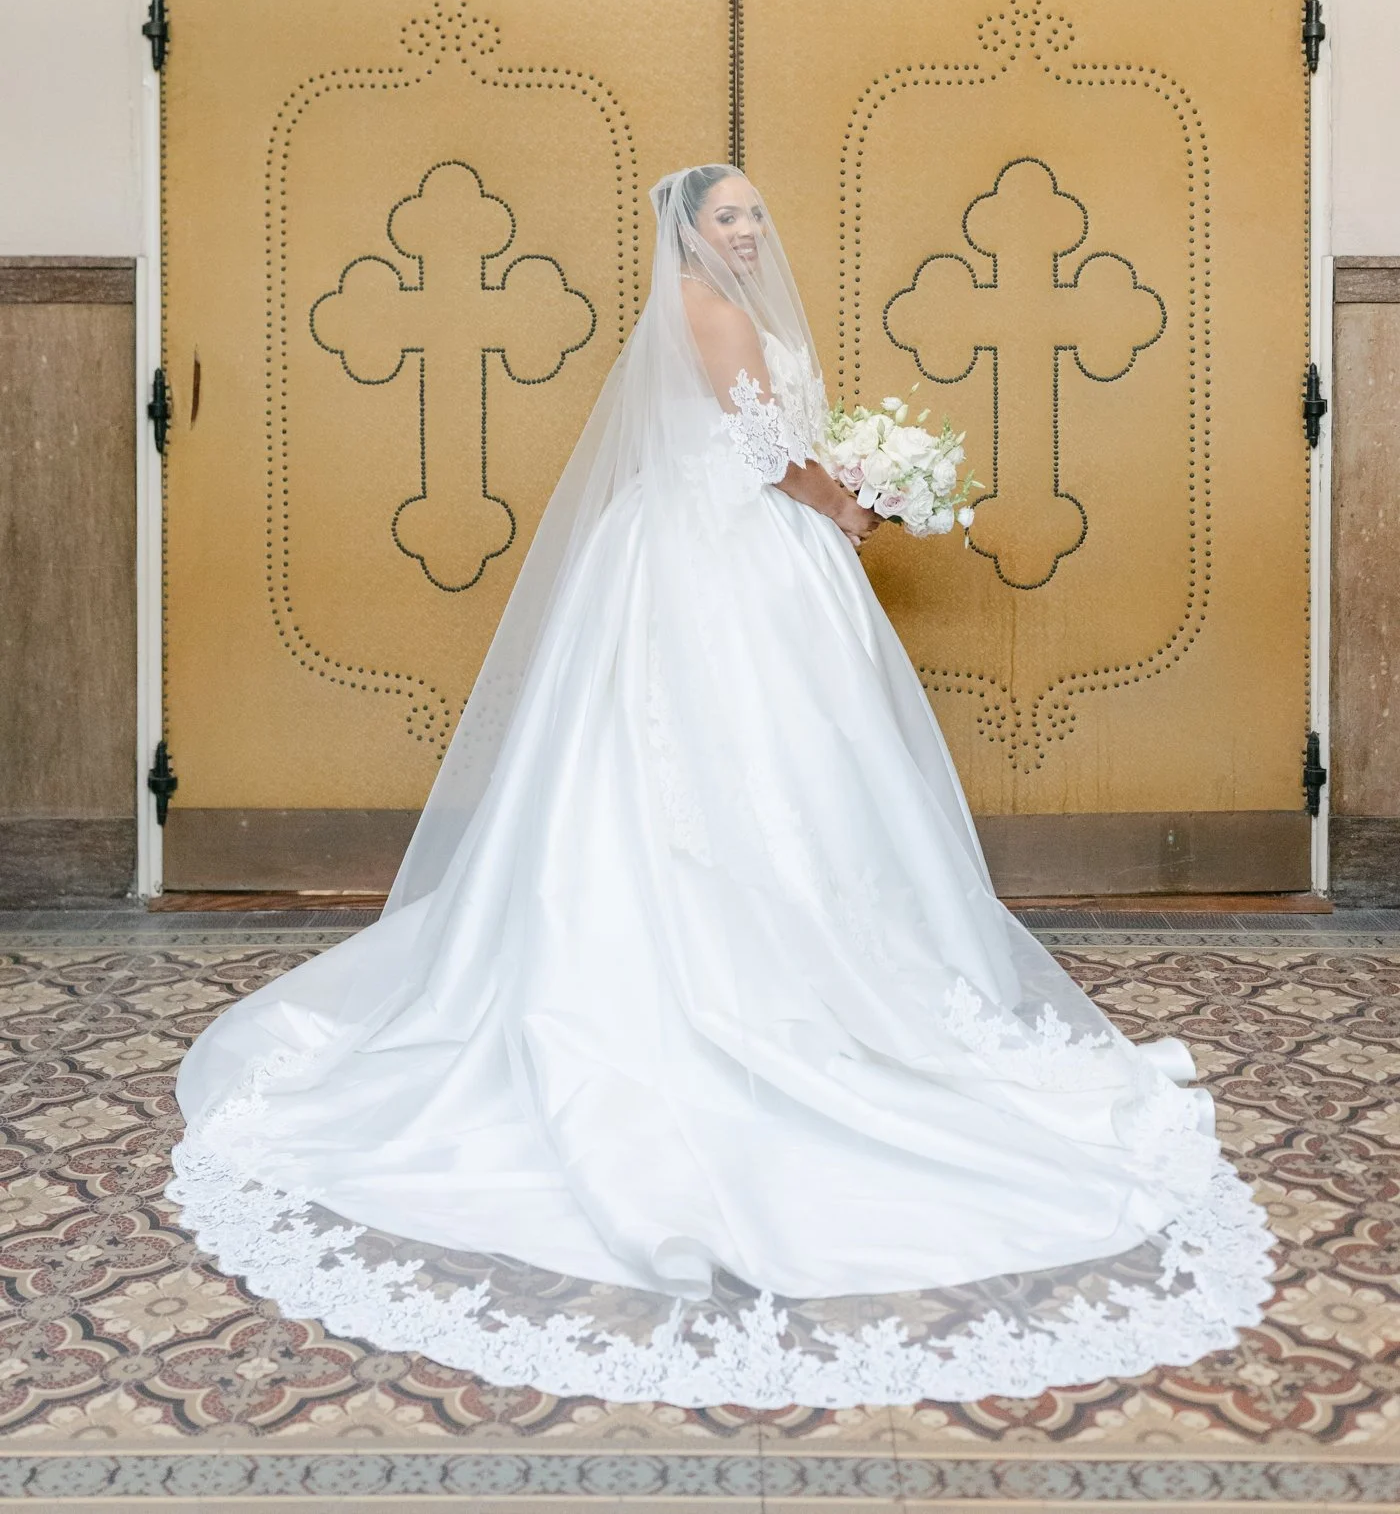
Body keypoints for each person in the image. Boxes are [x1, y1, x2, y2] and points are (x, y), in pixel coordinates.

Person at [170, 166, 1272, 1406]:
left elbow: (768, 437)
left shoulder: (720, 310)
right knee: (707, 763)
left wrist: (850, 479)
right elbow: (764, 450)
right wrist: (851, 501)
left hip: (730, 552)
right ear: (684, 233)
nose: (747, 230)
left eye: (754, 213)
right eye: (725, 216)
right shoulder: (713, 311)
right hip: (722, 560)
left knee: (782, 769)